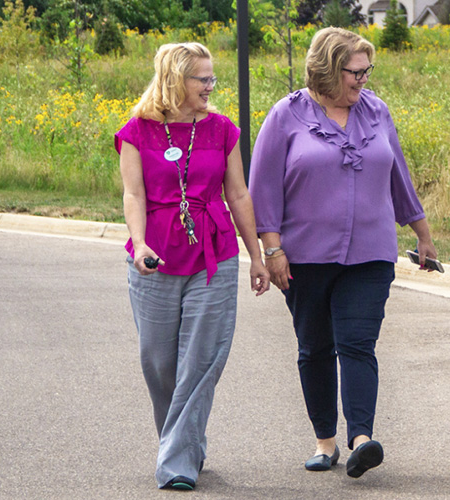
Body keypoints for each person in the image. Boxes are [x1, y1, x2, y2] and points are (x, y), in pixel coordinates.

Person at [248, 27, 437, 479]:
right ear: (329, 69)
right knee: (315, 347)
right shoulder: (286, 115)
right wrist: (271, 249)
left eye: (367, 71)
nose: (363, 80)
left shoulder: (377, 112)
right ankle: (325, 441)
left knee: (358, 343)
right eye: (356, 72)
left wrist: (422, 233)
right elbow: (263, 188)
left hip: (370, 253)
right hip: (304, 256)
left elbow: (399, 177)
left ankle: (361, 439)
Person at [117, 42, 271, 490]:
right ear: (173, 80)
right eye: (201, 78)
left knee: (202, 360)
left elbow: (238, 195)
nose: (210, 86)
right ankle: (184, 441)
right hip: (156, 259)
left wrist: (255, 256)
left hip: (214, 256)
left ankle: (178, 461)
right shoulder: (137, 132)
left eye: (211, 78)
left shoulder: (223, 130)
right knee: (160, 363)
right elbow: (134, 195)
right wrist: (141, 243)